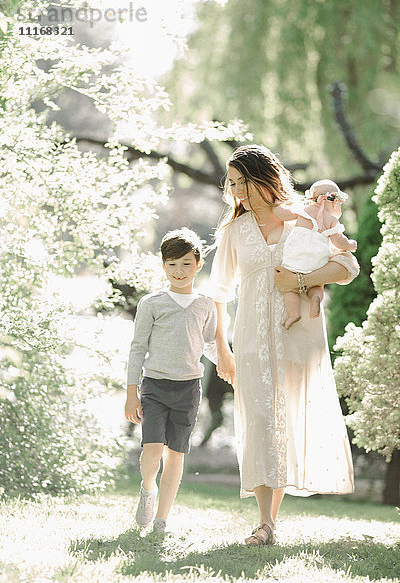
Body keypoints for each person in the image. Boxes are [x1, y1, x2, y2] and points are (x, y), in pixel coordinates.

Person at [210, 145, 359, 546]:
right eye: (233, 183)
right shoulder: (234, 231)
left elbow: (347, 267)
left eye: (243, 181)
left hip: (298, 337)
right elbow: (219, 294)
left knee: (284, 420)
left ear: (263, 176)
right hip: (251, 338)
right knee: (260, 419)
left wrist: (298, 283)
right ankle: (266, 523)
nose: (237, 190)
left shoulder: (303, 217)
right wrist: (222, 349)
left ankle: (269, 521)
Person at [125, 228, 217, 534]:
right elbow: (138, 347)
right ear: (163, 265)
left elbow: (209, 344)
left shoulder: (206, 304)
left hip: (189, 389)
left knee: (176, 455)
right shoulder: (151, 303)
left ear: (198, 264)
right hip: (154, 386)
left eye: (186, 264)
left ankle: (162, 519)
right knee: (152, 451)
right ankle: (148, 489)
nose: (179, 271)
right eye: (172, 264)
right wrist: (131, 392)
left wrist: (233, 366)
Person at [272, 179, 357, 329]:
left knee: (289, 289)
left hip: (295, 259)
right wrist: (350, 245)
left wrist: (276, 205)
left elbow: (283, 214)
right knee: (317, 286)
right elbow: (339, 242)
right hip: (317, 262)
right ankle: (316, 299)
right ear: (333, 201)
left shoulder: (305, 210)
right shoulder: (331, 220)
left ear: (312, 197)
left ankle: (293, 314)